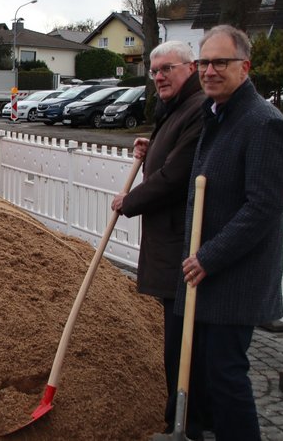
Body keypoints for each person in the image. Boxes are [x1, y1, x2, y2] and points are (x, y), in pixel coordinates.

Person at [179, 24, 283, 440]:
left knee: (225, 374)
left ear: (245, 67)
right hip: (210, 273)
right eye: (203, 62)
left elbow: (262, 207)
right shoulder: (218, 114)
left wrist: (209, 256)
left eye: (220, 62)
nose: (209, 70)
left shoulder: (264, 124)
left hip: (236, 276)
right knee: (210, 375)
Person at [111, 41, 207, 438]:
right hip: (168, 244)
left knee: (181, 346)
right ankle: (188, 419)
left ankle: (185, 424)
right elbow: (168, 159)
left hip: (181, 246)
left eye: (167, 68)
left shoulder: (198, 109)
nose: (159, 77)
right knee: (176, 340)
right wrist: (151, 151)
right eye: (154, 71)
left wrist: (128, 201)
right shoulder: (175, 109)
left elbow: (176, 175)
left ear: (191, 67)